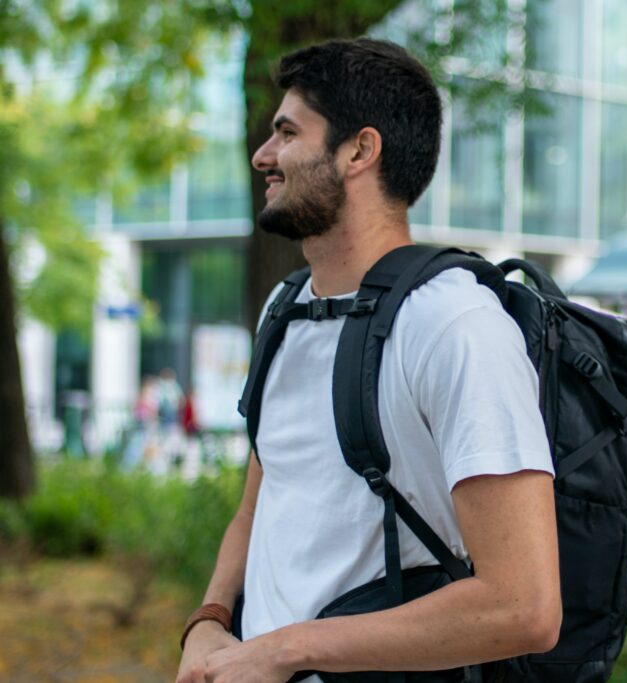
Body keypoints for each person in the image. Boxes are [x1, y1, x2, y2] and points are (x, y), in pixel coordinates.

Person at [176, 39, 560, 683]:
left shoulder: (455, 325)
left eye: (287, 132)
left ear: (359, 150)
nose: (262, 155)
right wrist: (212, 619)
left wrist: (284, 649)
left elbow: (524, 607)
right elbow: (261, 501)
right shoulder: (287, 305)